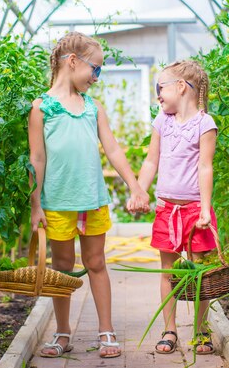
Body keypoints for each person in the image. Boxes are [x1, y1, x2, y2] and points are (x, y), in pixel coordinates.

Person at [28, 31, 149, 359]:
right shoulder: (42, 108)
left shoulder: (93, 108)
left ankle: (106, 330)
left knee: (96, 263)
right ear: (72, 62)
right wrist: (35, 204)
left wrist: (135, 185)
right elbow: (36, 158)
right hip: (57, 203)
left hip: (92, 199)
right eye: (94, 69)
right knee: (63, 268)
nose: (97, 77)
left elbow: (112, 148)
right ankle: (63, 332)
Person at [133, 60, 218, 355]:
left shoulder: (205, 124)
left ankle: (201, 330)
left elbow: (205, 167)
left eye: (161, 88)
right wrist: (139, 190)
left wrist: (205, 209)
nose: (158, 96)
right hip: (167, 209)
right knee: (167, 271)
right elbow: (150, 161)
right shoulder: (162, 122)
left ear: (181, 87)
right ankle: (170, 329)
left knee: (198, 273)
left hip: (194, 210)